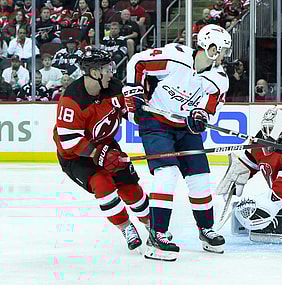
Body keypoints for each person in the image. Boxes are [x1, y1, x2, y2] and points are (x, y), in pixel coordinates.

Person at [124, 24, 231, 261]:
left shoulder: (219, 79)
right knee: (167, 173)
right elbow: (138, 63)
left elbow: (211, 109)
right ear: (209, 46)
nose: (224, 55)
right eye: (221, 49)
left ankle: (206, 229)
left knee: (200, 177)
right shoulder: (176, 58)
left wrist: (201, 118)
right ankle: (157, 234)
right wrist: (133, 91)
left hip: (184, 128)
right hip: (156, 121)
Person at [53, 48, 150, 252]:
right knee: (103, 186)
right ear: (94, 72)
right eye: (107, 69)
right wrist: (98, 155)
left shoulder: (113, 86)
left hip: (105, 145)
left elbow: (127, 112)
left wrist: (145, 119)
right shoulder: (71, 99)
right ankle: (125, 227)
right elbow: (68, 141)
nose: (111, 72)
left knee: (130, 186)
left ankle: (153, 225)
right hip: (76, 157)